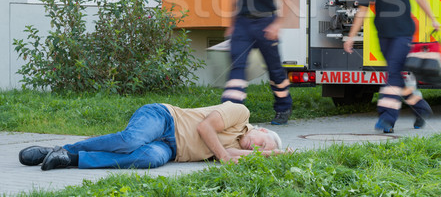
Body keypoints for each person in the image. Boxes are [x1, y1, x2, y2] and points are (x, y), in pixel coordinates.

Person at [344, 0, 441, 133]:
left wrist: (432, 18)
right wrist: (351, 36)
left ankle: (387, 118)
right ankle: (421, 108)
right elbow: (362, 10)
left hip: (403, 32)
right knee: (396, 74)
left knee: (392, 74)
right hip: (384, 34)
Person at [18, 101, 284, 170]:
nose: (255, 150)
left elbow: (236, 156)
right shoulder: (240, 112)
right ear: (260, 130)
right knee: (132, 140)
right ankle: (63, 148)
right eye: (262, 143)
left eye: (259, 151)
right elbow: (205, 128)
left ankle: (69, 160)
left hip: (170, 150)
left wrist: (275, 153)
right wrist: (224, 156)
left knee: (150, 158)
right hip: (165, 118)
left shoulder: (242, 149)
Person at [222, 0, 292, 125]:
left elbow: (286, 0)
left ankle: (283, 108)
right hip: (242, 24)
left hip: (265, 23)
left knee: (274, 69)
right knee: (237, 66)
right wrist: (231, 24)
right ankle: (230, 111)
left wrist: (277, 24)